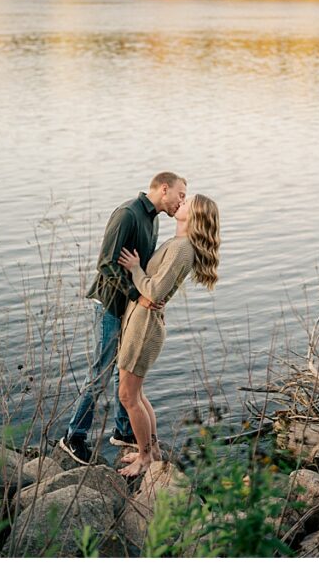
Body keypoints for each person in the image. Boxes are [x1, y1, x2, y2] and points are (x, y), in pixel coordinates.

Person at [58, 172, 187, 465]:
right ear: (164, 189)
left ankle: (124, 430)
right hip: (109, 306)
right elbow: (105, 264)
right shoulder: (128, 214)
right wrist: (136, 295)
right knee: (101, 371)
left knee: (124, 369)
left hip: (128, 307)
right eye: (180, 194)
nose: (182, 201)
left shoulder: (151, 218)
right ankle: (73, 436)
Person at [115, 194, 220, 477]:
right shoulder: (177, 244)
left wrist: (136, 269)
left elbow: (155, 292)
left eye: (188, 202)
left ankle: (146, 459)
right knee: (135, 394)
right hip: (142, 319)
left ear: (194, 216)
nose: (181, 203)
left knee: (128, 396)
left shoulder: (183, 249)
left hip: (145, 325)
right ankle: (152, 450)